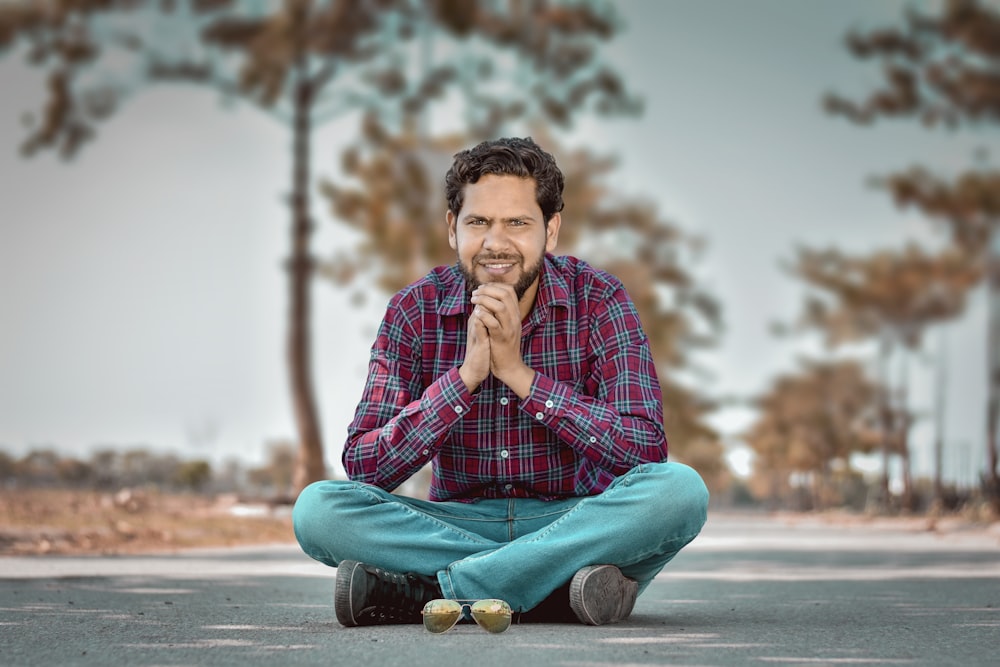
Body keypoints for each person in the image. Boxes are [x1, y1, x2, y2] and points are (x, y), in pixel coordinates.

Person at [293, 137, 709, 627]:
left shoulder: (599, 299)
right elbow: (366, 465)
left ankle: (437, 591)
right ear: (453, 228)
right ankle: (552, 590)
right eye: (478, 222)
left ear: (549, 231)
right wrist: (465, 378)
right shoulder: (414, 310)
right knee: (318, 510)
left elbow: (645, 451)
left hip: (575, 522)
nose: (496, 242)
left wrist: (520, 375)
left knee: (679, 492)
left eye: (517, 222)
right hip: (451, 525)